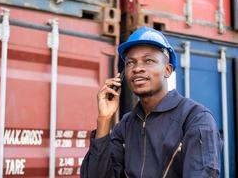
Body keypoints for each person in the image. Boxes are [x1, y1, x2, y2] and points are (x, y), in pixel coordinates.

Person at [80, 26, 223, 178]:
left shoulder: (196, 119)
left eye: (148, 61)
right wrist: (104, 120)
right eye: (130, 63)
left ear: (167, 70)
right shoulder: (126, 125)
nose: (137, 68)